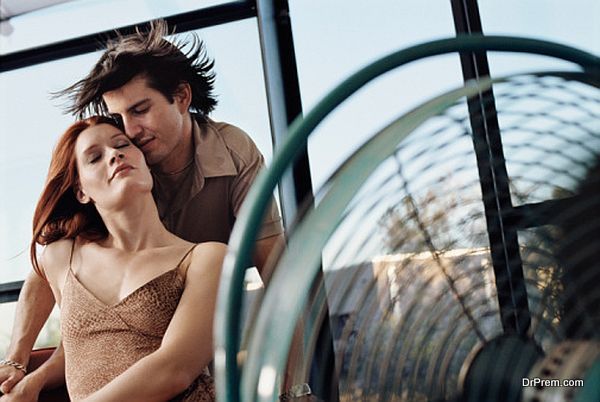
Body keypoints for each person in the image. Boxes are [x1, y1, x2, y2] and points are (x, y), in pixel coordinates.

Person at [1, 19, 290, 399]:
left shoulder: (231, 156)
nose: (129, 135)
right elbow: (92, 325)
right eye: (118, 120)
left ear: (182, 97)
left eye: (140, 110)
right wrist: (21, 364)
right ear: (82, 190)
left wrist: (294, 386)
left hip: (193, 330)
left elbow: (282, 280)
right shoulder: (117, 176)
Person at [2, 116, 225, 401]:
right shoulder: (63, 256)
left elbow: (175, 369)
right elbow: (79, 337)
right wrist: (18, 362)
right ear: (81, 191)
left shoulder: (206, 259)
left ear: (146, 165)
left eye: (122, 145)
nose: (114, 154)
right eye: (95, 157)